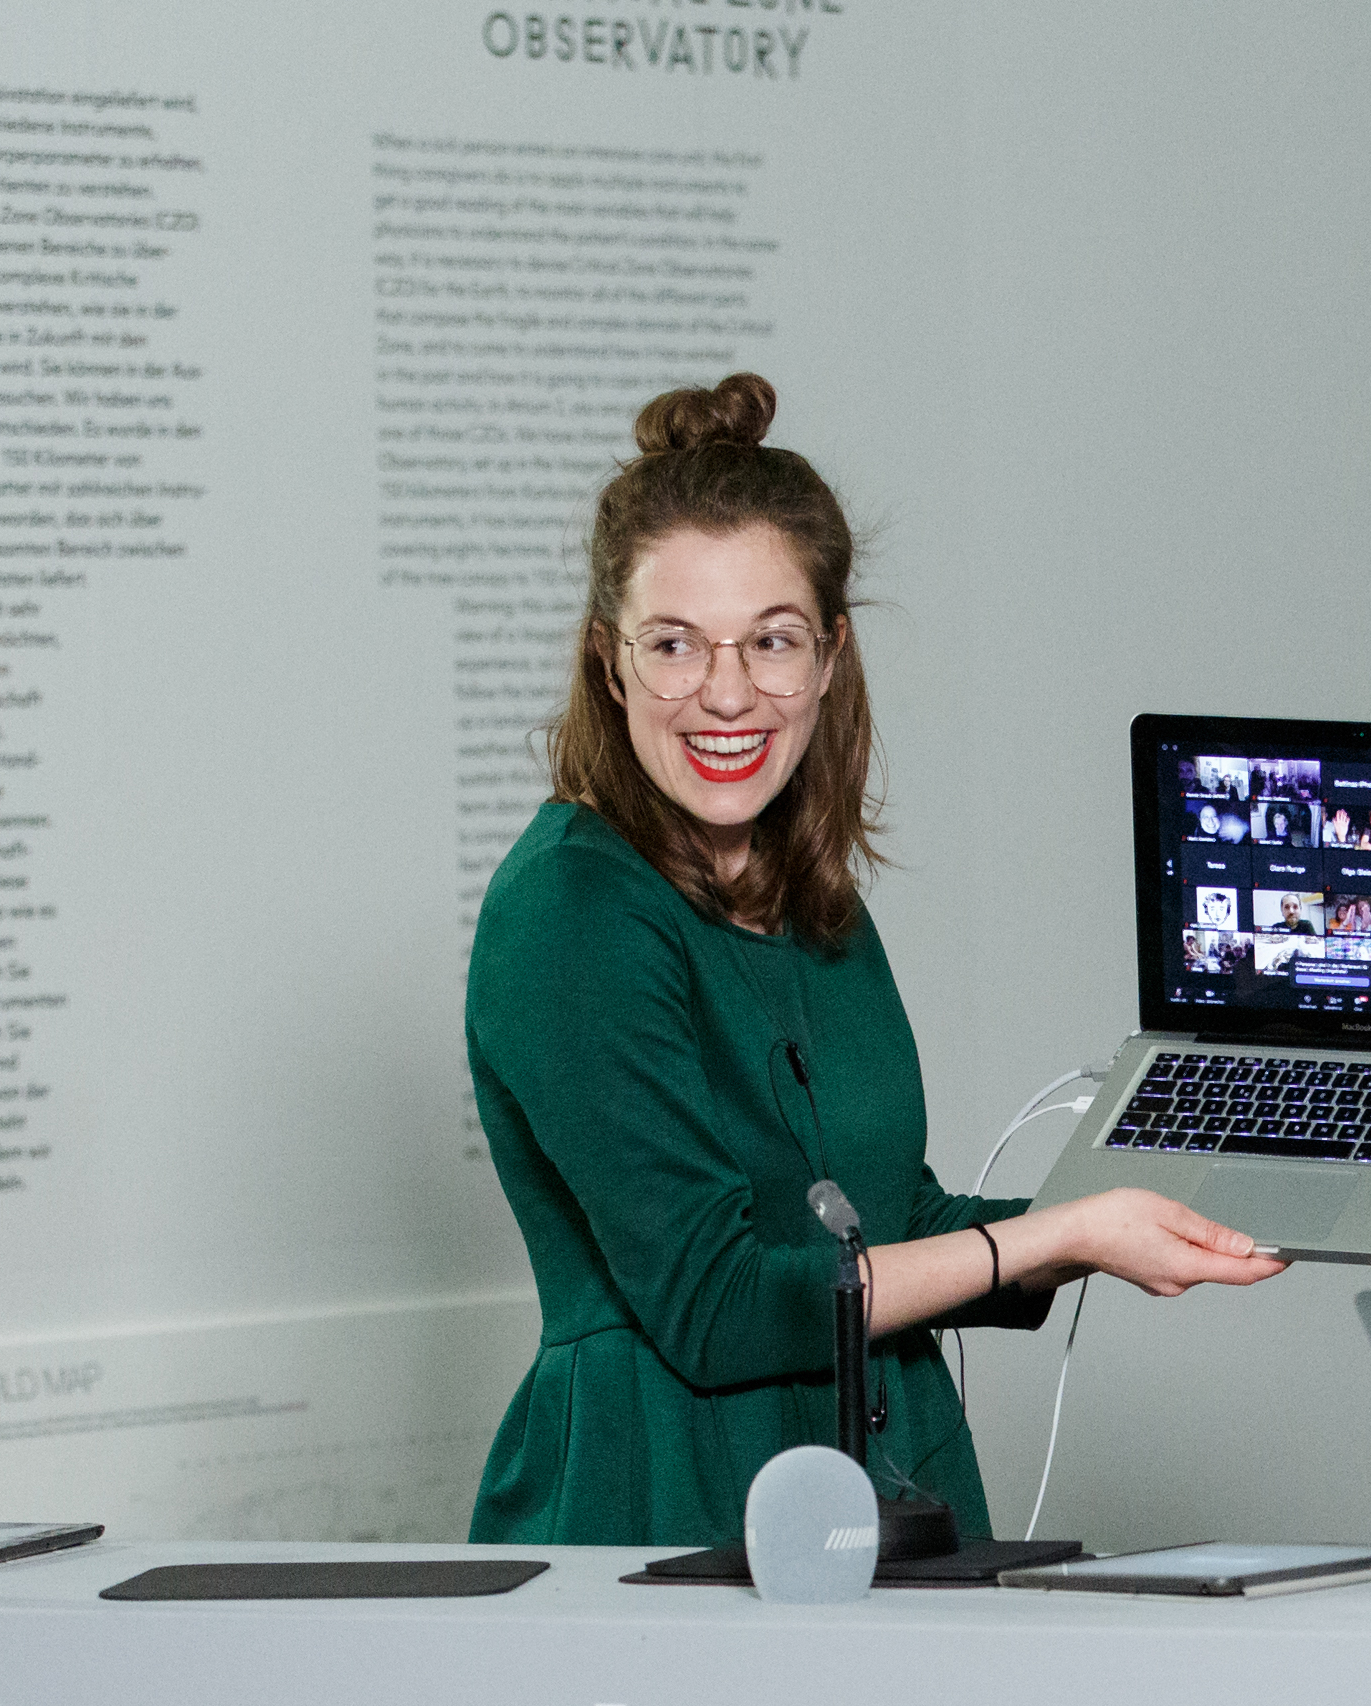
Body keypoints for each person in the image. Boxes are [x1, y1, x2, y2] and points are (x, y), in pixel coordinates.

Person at [464, 374, 1283, 1545]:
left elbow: (890, 1218)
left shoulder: (809, 895)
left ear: (831, 656)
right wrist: (1058, 1236)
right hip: (669, 1504)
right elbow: (718, 1305)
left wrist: (1145, 1204)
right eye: (675, 646)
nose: (728, 693)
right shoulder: (571, 910)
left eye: (773, 641)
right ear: (609, 663)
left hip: (886, 1483)